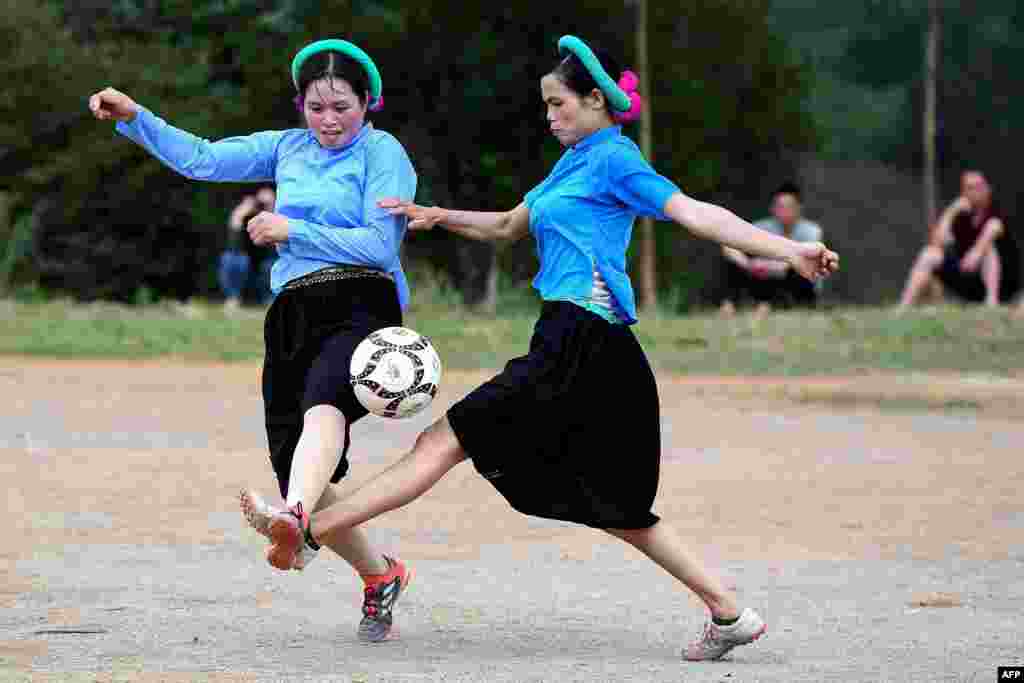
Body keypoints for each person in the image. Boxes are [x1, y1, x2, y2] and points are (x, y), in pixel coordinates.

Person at [240, 35, 839, 661]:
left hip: (581, 341)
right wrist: (437, 214)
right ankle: (730, 612)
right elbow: (506, 225)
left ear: (596, 102)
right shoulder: (575, 162)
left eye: (558, 105)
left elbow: (694, 213)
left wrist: (788, 252)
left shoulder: (615, 161)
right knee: (615, 507)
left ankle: (306, 528)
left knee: (438, 444)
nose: (550, 117)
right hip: (582, 346)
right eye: (546, 106)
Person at [89, 38, 417, 643]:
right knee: (301, 466)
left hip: (363, 302)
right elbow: (203, 160)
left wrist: (295, 228)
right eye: (316, 107)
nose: (328, 120)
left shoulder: (383, 152)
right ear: (301, 105)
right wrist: (138, 118)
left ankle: (291, 518)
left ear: (367, 102)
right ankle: (378, 574)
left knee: (324, 402)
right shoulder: (286, 148)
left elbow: (380, 246)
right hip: (292, 311)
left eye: (342, 106)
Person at [899, 170, 1019, 310]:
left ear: (988, 188)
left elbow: (995, 227)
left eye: (979, 186)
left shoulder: (998, 207)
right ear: (964, 193)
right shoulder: (961, 213)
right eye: (970, 188)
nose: (975, 191)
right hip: (967, 276)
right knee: (929, 254)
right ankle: (903, 307)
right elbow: (937, 242)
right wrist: (951, 211)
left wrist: (977, 251)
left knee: (988, 247)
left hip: (1003, 285)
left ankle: (991, 304)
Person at [719, 182, 823, 316]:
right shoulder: (762, 227)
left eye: (789, 207)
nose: (784, 211)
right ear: (772, 208)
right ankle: (730, 304)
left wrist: (772, 265)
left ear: (799, 209)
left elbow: (808, 261)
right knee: (735, 264)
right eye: (780, 207)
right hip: (765, 279)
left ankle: (775, 305)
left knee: (797, 271)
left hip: (797, 283)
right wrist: (747, 264)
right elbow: (728, 244)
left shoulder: (811, 231)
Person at [219, 186, 278, 310]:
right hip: (246, 262)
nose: (259, 206)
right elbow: (233, 246)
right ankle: (233, 298)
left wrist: (271, 211)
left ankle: (272, 300)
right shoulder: (243, 216)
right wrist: (238, 217)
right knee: (232, 258)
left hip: (266, 261)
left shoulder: (276, 214)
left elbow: (276, 250)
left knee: (272, 263)